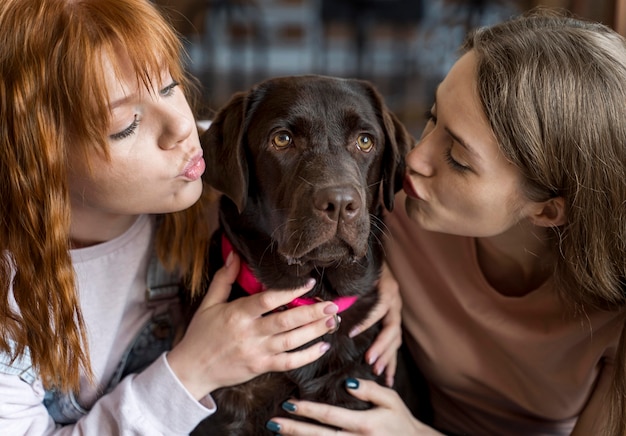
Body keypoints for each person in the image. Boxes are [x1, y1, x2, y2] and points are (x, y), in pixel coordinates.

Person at [0, 0, 400, 434]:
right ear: (37, 160)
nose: (183, 127)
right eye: (126, 124)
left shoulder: (200, 171)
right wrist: (190, 373)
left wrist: (372, 281)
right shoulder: (10, 309)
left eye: (170, 88)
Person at [267, 9, 626, 436]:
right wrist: (372, 274)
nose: (415, 160)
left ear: (548, 208)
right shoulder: (393, 216)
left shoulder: (614, 314)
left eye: (457, 158)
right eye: (433, 119)